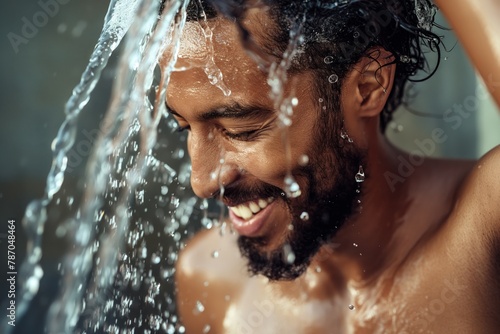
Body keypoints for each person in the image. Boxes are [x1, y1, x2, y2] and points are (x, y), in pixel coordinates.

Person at [162, 0, 500, 332]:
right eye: (184, 128)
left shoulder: (482, 232)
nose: (202, 182)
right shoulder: (212, 280)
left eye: (243, 130)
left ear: (368, 87)